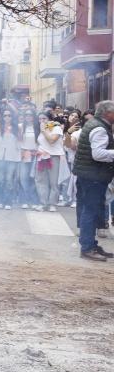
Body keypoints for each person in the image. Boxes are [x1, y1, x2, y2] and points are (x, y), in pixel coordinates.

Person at [72, 100, 114, 262]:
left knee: (89, 210)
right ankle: (87, 248)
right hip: (93, 176)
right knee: (90, 211)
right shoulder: (99, 129)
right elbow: (98, 154)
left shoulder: (95, 124)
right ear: (107, 113)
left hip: (89, 175)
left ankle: (90, 244)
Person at [35, 112, 66, 212]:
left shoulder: (56, 128)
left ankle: (52, 203)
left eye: (44, 118)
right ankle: (43, 203)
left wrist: (44, 130)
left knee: (53, 181)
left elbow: (52, 140)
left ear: (50, 119)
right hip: (42, 156)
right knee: (41, 181)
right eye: (40, 119)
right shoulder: (39, 129)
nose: (42, 121)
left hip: (53, 157)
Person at [0, 109, 20, 210]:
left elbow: (19, 142)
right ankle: (0, 200)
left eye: (9, 115)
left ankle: (8, 201)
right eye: (5, 115)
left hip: (12, 157)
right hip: (0, 157)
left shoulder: (17, 128)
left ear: (12, 117)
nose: (7, 117)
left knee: (9, 180)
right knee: (0, 180)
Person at [17, 110, 41, 209]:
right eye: (26, 114)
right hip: (24, 154)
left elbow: (51, 127)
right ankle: (24, 200)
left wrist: (55, 123)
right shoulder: (20, 126)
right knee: (23, 178)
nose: (28, 116)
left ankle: (33, 200)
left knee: (33, 179)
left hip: (35, 155)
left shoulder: (38, 127)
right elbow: (17, 141)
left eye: (30, 114)